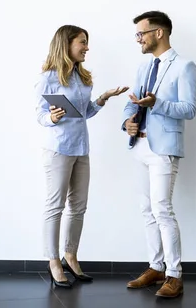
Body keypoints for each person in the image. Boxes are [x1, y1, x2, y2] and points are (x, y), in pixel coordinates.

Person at [34, 25, 128, 288]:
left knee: (79, 206)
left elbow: (84, 113)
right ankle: (53, 261)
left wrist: (103, 98)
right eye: (82, 42)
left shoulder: (82, 76)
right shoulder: (48, 77)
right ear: (67, 45)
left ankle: (70, 255)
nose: (87, 47)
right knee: (55, 206)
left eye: (87, 43)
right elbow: (40, 115)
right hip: (58, 149)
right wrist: (51, 117)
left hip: (81, 148)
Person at [122, 11, 196, 298]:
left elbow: (189, 109)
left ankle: (174, 274)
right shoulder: (144, 67)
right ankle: (155, 266)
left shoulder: (184, 66)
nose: (138, 39)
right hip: (139, 146)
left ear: (159, 33)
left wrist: (158, 104)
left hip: (164, 149)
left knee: (162, 210)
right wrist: (127, 122)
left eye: (141, 33)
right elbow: (132, 104)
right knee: (147, 211)